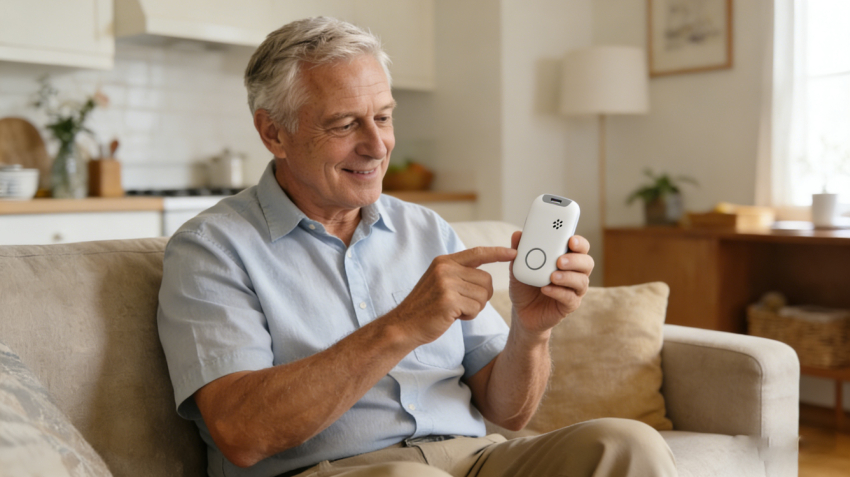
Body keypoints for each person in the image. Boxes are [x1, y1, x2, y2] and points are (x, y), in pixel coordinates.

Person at [157, 16, 677, 477]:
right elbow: (242, 434)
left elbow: (510, 413)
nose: (377, 145)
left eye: (383, 117)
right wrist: (402, 325)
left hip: (473, 459)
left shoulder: (425, 229)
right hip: (335, 470)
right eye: (345, 124)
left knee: (626, 444)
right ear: (274, 133)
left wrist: (531, 331)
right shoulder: (213, 249)